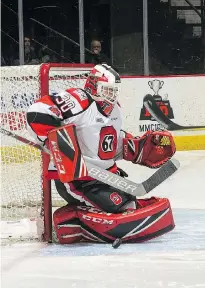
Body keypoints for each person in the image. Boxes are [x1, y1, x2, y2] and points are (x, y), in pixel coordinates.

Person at [26, 64, 177, 244]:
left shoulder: (115, 109)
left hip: (106, 176)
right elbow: (36, 113)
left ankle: (87, 220)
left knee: (128, 201)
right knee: (118, 205)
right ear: (92, 85)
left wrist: (138, 148)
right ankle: (71, 221)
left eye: (114, 91)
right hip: (77, 180)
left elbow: (111, 144)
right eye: (106, 90)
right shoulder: (79, 100)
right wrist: (58, 143)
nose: (111, 96)